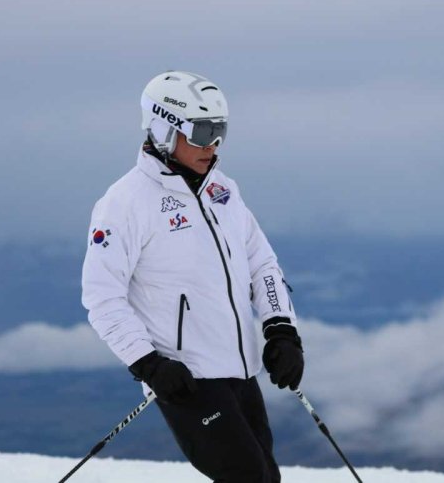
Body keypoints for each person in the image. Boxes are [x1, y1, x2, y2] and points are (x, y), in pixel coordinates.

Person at [81, 71, 304, 483]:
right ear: (165, 129)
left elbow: (263, 266)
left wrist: (281, 330)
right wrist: (148, 364)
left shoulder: (223, 191)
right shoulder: (125, 203)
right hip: (187, 380)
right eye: (201, 132)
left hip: (240, 369)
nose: (213, 145)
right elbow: (102, 297)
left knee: (265, 478)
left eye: (220, 131)